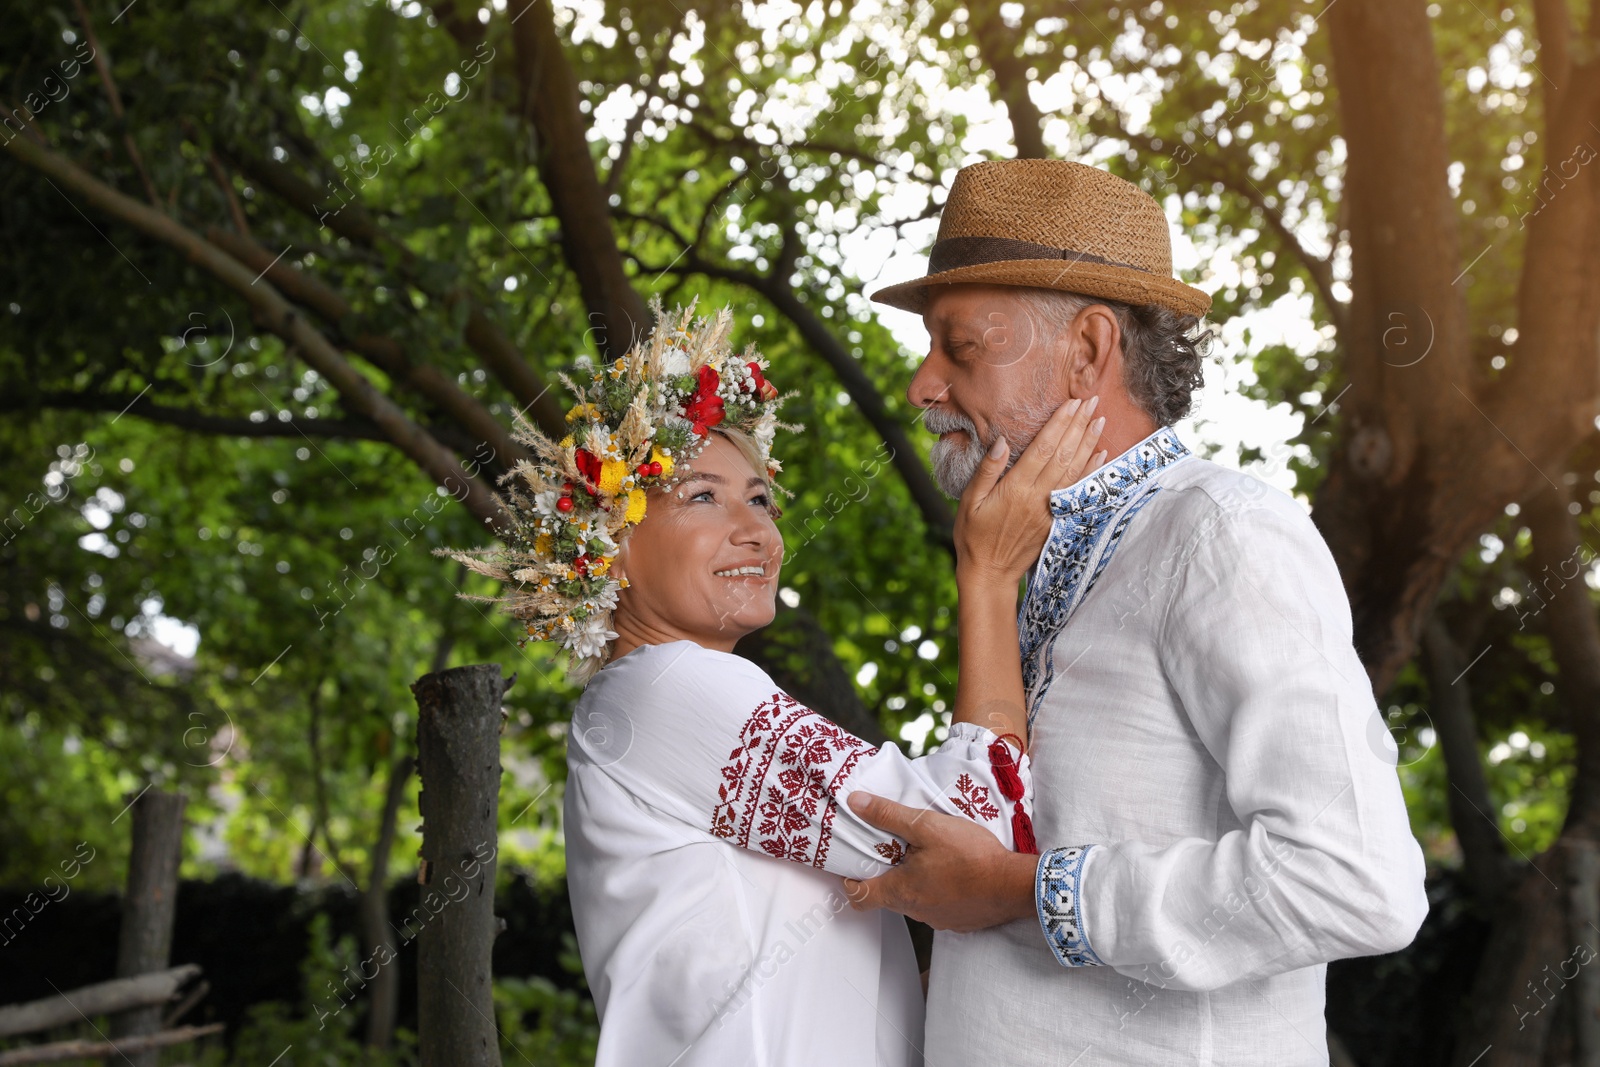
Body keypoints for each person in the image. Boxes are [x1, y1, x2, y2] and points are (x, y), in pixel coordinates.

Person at [843, 158, 1430, 1065]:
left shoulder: (1220, 535)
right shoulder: (1020, 555)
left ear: (1086, 351)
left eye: (958, 348)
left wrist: (1018, 890)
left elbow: (1357, 879)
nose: (922, 385)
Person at [436, 302, 1106, 1066]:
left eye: (759, 497)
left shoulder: (658, 700)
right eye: (701, 495)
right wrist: (986, 578)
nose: (756, 529)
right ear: (609, 548)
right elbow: (969, 831)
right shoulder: (666, 686)